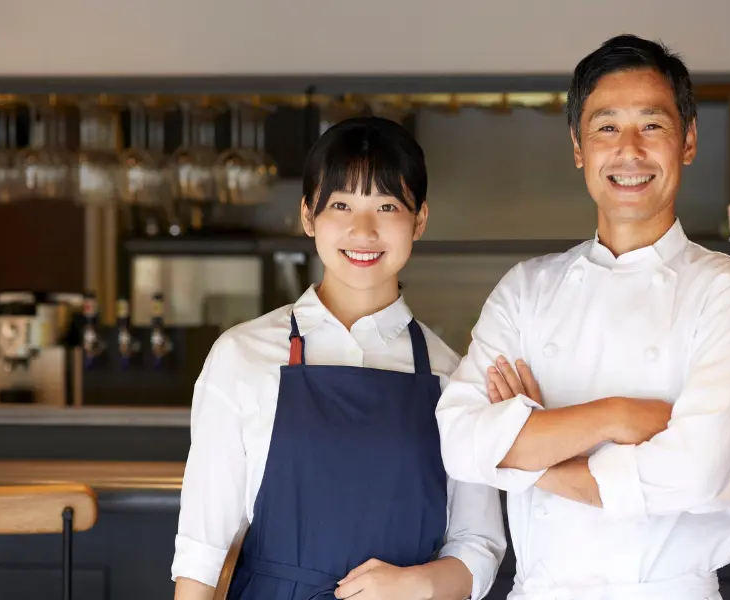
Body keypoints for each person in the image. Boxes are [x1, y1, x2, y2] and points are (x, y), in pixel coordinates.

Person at [435, 34, 730, 600]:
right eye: (607, 127)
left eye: (652, 125)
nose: (629, 150)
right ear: (578, 147)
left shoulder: (724, 291)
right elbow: (463, 443)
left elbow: (696, 471)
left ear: (687, 140)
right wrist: (614, 416)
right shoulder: (527, 289)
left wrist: (528, 458)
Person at [172, 117, 506, 600]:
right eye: (341, 205)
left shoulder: (453, 375)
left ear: (420, 219)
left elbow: (479, 544)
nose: (363, 230)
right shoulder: (242, 356)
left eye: (388, 205)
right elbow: (203, 549)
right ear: (309, 216)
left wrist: (417, 584)